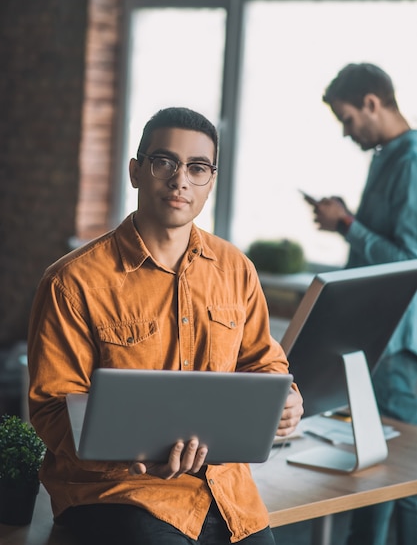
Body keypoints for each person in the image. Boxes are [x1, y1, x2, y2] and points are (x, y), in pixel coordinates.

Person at [27, 106, 304, 545]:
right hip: (118, 494)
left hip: (228, 495)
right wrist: (133, 456)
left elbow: (264, 363)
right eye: (164, 162)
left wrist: (285, 400)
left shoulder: (236, 269)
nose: (180, 180)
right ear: (136, 171)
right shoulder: (73, 281)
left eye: (197, 168)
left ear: (211, 181)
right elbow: (50, 409)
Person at [304, 63, 417, 545]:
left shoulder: (411, 161)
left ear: (373, 103)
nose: (347, 133)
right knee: (373, 460)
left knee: (393, 472)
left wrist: (348, 224)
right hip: (377, 337)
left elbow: (410, 261)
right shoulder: (385, 156)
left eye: (348, 120)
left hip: (398, 343)